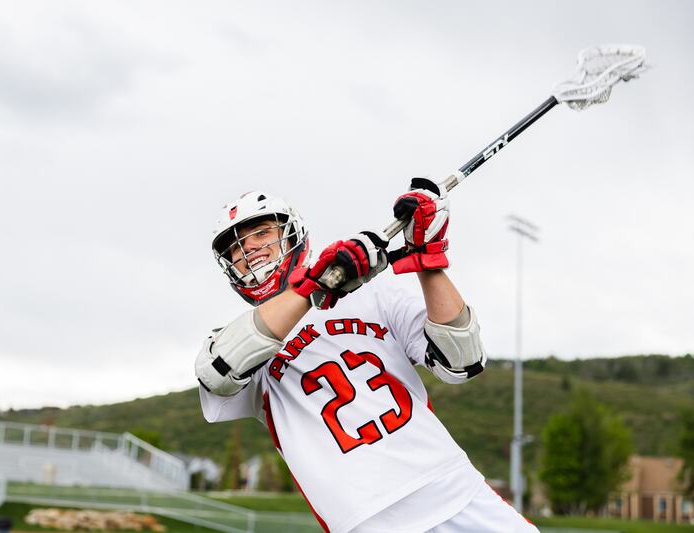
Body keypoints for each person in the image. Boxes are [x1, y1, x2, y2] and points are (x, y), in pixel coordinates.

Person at [195, 181, 538, 533]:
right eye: (235, 247)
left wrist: (427, 259)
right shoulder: (237, 339)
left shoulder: (374, 295)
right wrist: (316, 285)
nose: (249, 248)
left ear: (291, 233)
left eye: (261, 233)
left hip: (451, 485)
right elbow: (217, 373)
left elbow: (463, 360)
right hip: (366, 520)